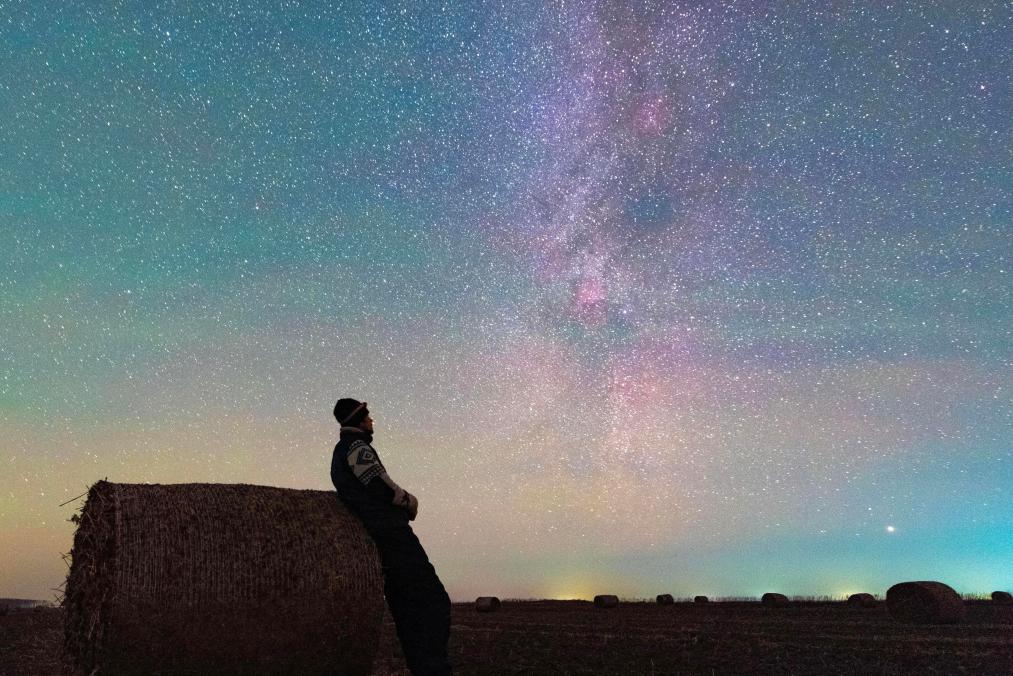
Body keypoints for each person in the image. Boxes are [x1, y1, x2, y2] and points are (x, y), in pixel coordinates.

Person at [330, 398, 452, 676]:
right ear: (358, 419)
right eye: (368, 417)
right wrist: (408, 501)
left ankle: (425, 668)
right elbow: (378, 484)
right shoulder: (356, 447)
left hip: (377, 537)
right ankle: (433, 670)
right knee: (432, 602)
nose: (372, 421)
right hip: (391, 534)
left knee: (407, 609)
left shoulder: (341, 451)